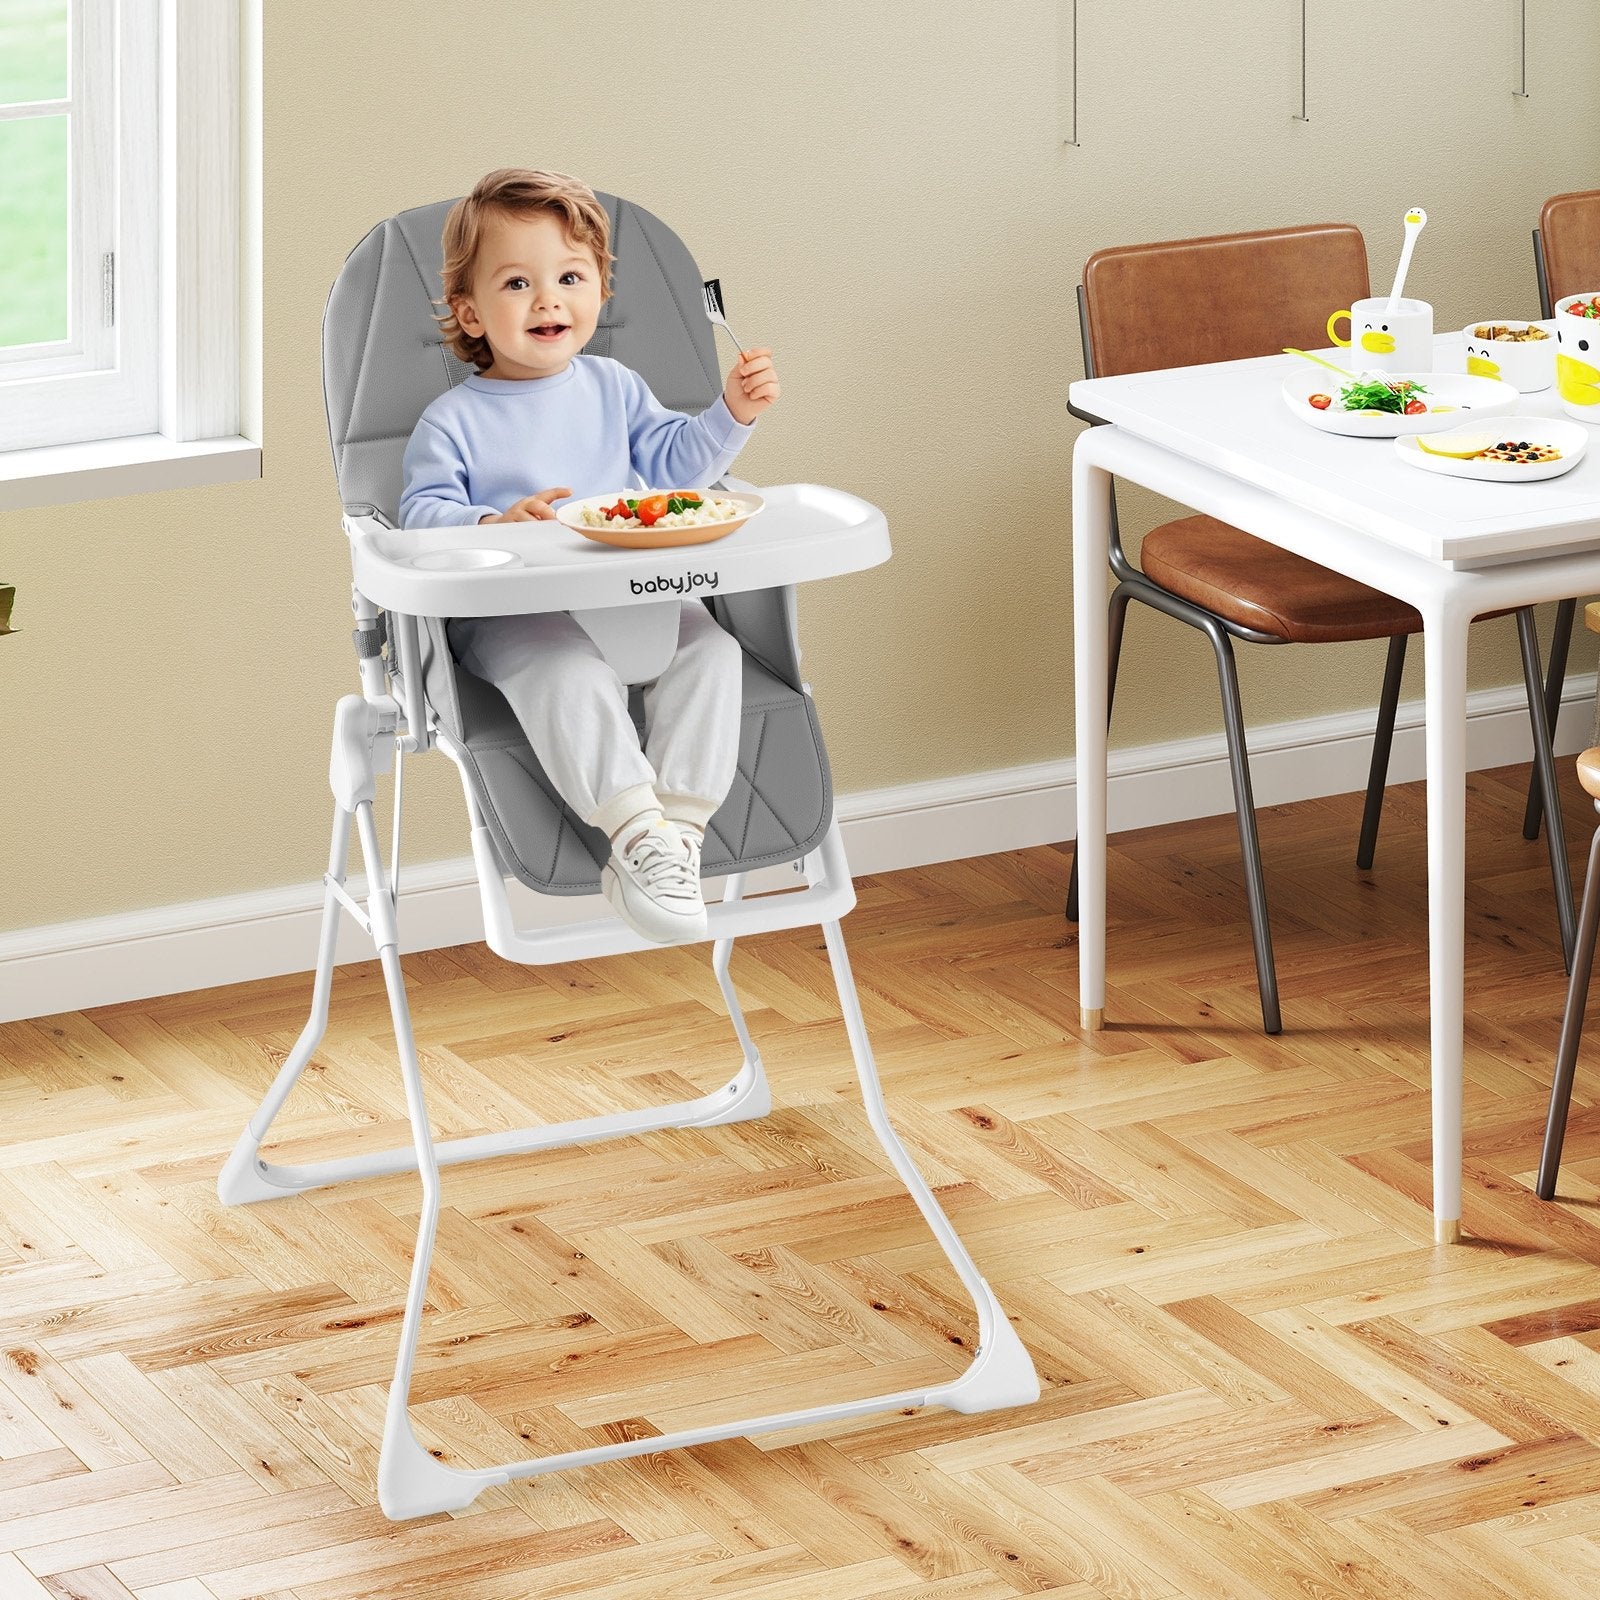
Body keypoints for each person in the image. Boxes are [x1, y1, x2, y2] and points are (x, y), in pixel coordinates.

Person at [400, 169, 779, 944]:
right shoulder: (453, 421)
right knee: (565, 673)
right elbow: (420, 516)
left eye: (570, 277)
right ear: (469, 311)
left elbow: (677, 470)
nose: (549, 300)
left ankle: (679, 829)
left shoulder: (614, 386)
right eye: (517, 282)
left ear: (601, 292)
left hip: (633, 592)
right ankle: (633, 826)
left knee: (711, 652)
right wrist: (493, 521)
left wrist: (731, 412)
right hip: (516, 614)